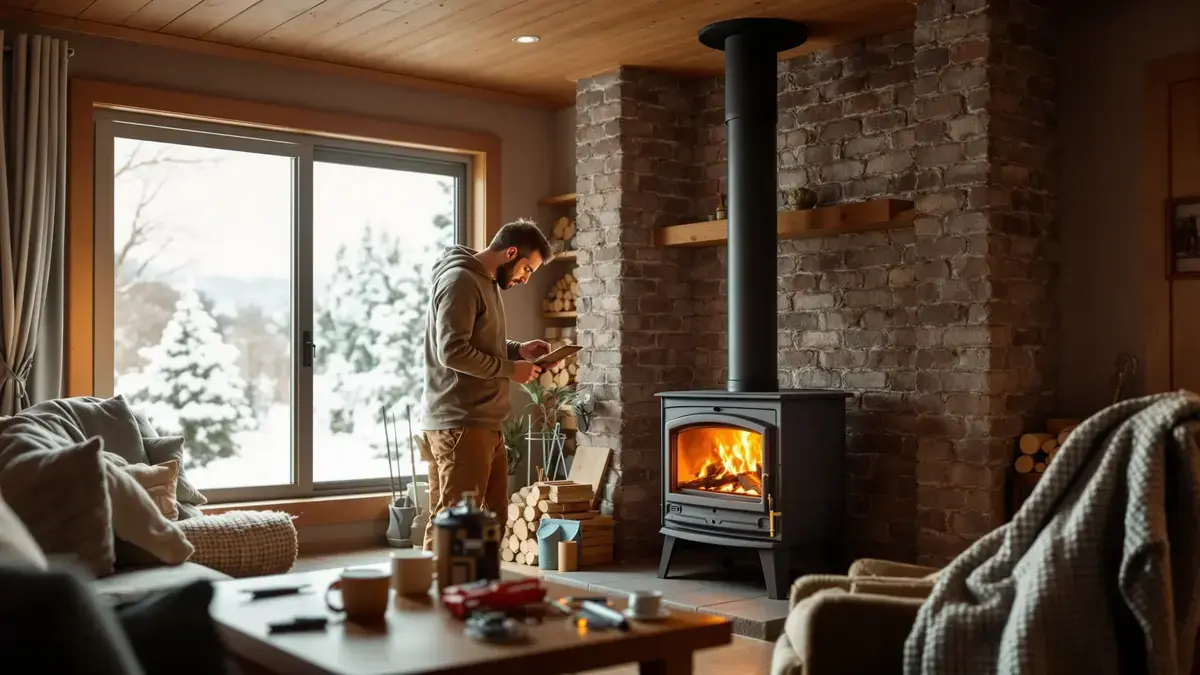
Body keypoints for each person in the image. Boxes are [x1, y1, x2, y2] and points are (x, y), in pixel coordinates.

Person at [419, 218, 553, 550]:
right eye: (527, 268)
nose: (525, 278)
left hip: (483, 422)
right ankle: (433, 596)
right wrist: (511, 369)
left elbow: (478, 341)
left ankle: (480, 595)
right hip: (460, 422)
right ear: (510, 252)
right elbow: (452, 351)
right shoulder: (460, 281)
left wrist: (517, 350)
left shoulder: (486, 282)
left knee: (492, 521)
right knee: (454, 525)